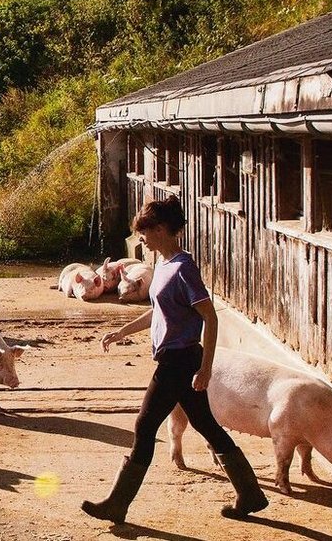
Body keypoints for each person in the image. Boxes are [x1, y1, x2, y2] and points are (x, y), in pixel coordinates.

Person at [81, 194, 267, 524]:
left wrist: (206, 369)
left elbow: (210, 317)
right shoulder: (162, 265)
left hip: (180, 361)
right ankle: (250, 493)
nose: (142, 238)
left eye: (146, 232)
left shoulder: (184, 268)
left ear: (164, 230)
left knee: (144, 425)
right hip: (175, 358)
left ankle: (117, 503)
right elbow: (159, 312)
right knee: (206, 424)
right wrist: (122, 332)